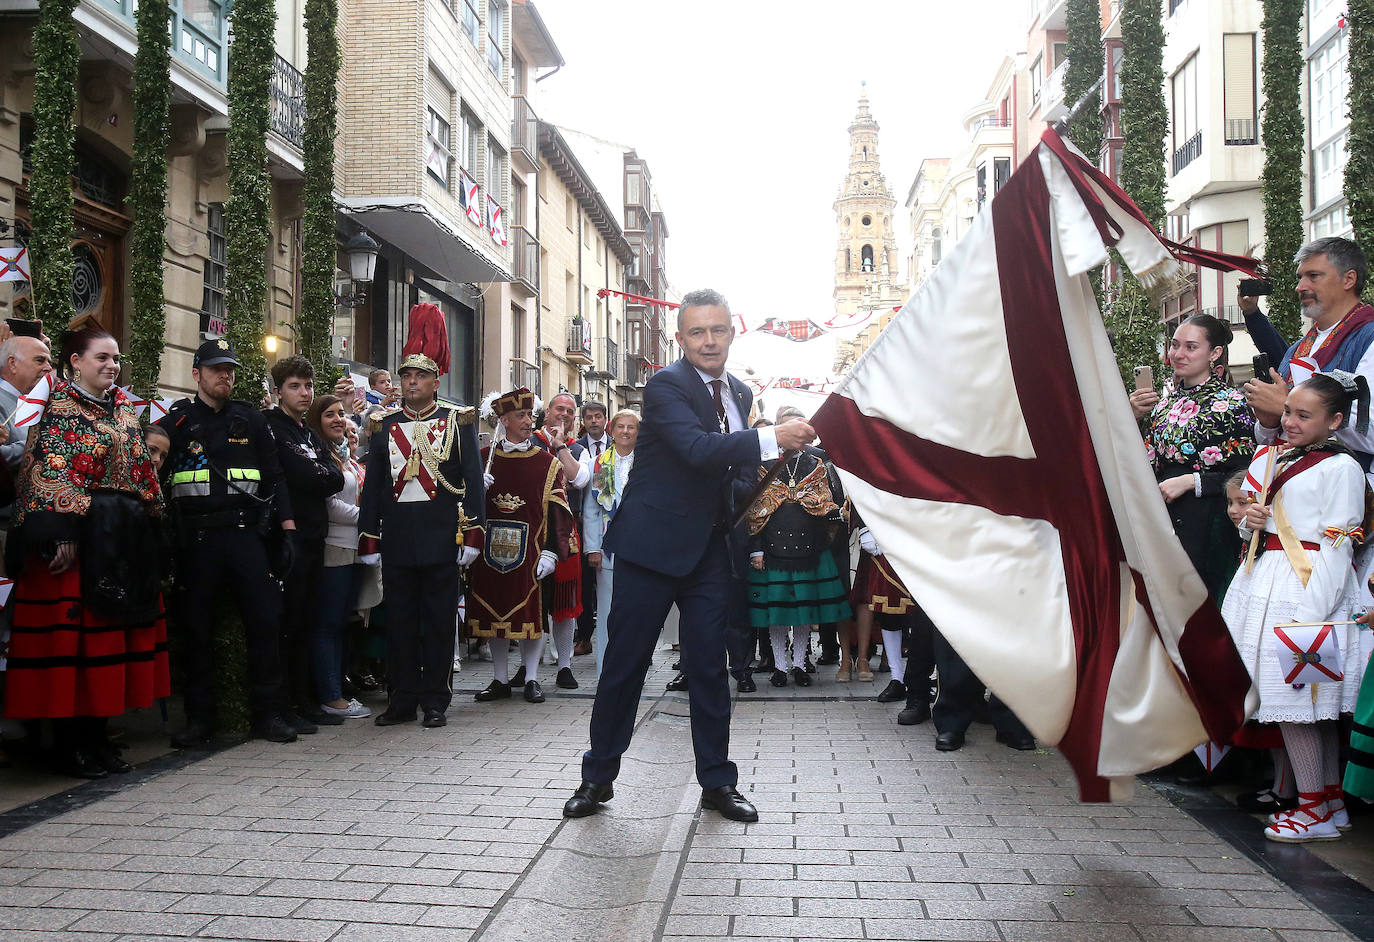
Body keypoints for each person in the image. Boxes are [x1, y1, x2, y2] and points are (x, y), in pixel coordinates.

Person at [565, 288, 817, 823]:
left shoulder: (742, 393)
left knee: (709, 668)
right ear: (680, 339)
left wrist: (767, 472)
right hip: (650, 549)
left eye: (718, 330)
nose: (709, 341)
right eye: (697, 332)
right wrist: (772, 438)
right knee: (625, 666)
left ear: (732, 333)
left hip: (710, 553)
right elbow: (699, 449)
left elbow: (735, 473)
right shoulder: (666, 385)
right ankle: (597, 777)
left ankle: (717, 784)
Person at [2, 328, 167, 777]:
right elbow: (45, 472)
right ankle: (65, 745)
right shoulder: (56, 409)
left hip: (120, 544)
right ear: (75, 361)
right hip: (76, 548)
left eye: (116, 358)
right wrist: (61, 534)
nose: (112, 365)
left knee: (108, 648)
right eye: (102, 358)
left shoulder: (126, 412)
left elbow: (141, 472)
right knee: (74, 655)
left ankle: (98, 739)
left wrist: (151, 525)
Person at [1221, 373, 1372, 842]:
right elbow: (1248, 528)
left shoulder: (1342, 469)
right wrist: (1249, 521)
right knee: (1300, 703)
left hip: (1306, 591)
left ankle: (1314, 812)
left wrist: (1314, 613)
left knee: (1300, 704)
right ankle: (1326, 803)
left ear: (1336, 420)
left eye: (1303, 415)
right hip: (1261, 582)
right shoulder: (1268, 457)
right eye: (1288, 411)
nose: (1289, 421)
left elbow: (1339, 544)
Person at [159, 339, 299, 746]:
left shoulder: (251, 420)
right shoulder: (177, 423)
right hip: (197, 540)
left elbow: (274, 479)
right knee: (196, 629)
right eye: (216, 368)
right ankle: (200, 719)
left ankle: (269, 715)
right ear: (197, 374)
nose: (225, 375)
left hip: (245, 537)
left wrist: (288, 530)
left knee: (265, 622)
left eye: (230, 369)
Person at [359, 353, 485, 728]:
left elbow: (473, 480)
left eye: (420, 376)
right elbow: (374, 486)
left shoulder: (456, 421)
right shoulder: (383, 425)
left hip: (441, 536)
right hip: (397, 536)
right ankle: (401, 699)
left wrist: (474, 534)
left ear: (435, 383)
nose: (411, 382)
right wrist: (369, 538)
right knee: (399, 623)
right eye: (406, 376)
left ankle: (435, 700)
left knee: (438, 623)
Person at [1129, 314, 1255, 601]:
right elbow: (1144, 462)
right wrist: (1132, 417)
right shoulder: (1162, 405)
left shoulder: (1233, 404)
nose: (1178, 354)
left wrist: (1192, 481)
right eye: (1175, 345)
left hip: (1211, 527)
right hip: (1166, 524)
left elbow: (1244, 475)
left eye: (1190, 347)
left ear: (1215, 353)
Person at [467, 388, 576, 703]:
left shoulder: (547, 463)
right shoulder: (483, 460)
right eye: (521, 416)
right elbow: (465, 508)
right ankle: (500, 679)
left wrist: (554, 552)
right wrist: (474, 487)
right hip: (489, 552)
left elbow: (560, 512)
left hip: (530, 553)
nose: (529, 421)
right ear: (504, 421)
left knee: (530, 617)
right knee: (495, 617)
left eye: (530, 415)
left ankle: (530, 678)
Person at [1243, 237, 1374, 470]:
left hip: (1343, 490)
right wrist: (1268, 421)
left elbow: (1370, 429)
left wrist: (1288, 406)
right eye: (1300, 277)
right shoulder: (1297, 349)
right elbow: (1267, 439)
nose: (1300, 287)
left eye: (1313, 276)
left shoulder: (1368, 337)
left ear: (1349, 279)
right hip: (1288, 484)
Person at [265, 356, 345, 727]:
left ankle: (304, 699)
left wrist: (320, 473)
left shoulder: (309, 433)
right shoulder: (273, 427)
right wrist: (320, 474)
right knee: (288, 624)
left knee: (308, 621)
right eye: (295, 386)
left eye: (308, 386)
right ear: (278, 390)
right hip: (288, 538)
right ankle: (284, 706)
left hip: (316, 537)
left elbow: (332, 475)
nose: (304, 393)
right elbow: (305, 475)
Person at [744, 432, 850, 689]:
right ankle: (780, 667)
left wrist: (839, 518)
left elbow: (825, 505)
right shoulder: (764, 465)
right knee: (778, 614)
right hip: (772, 549)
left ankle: (800, 664)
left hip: (810, 549)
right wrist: (756, 550)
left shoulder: (816, 466)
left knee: (804, 612)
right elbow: (755, 510)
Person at [306, 394, 370, 719]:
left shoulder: (344, 456)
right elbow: (329, 505)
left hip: (354, 549)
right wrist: (368, 516)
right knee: (328, 624)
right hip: (333, 547)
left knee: (345, 624)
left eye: (341, 413)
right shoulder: (321, 456)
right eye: (329, 414)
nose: (337, 420)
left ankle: (339, 688)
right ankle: (330, 696)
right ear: (316, 420)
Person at [582, 408, 639, 677]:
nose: (626, 431)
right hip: (608, 545)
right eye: (621, 427)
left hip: (641, 548)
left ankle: (633, 669)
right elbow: (593, 508)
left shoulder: (647, 463)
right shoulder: (599, 463)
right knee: (606, 610)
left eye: (632, 427)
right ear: (612, 430)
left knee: (636, 611)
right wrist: (592, 547)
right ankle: (606, 669)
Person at [574, 399, 610, 655]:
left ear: (605, 419)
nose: (594, 421)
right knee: (586, 585)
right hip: (581, 523)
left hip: (612, 526)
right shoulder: (575, 449)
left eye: (598, 416)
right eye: (590, 417)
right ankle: (585, 637)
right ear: (583, 421)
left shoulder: (620, 445)